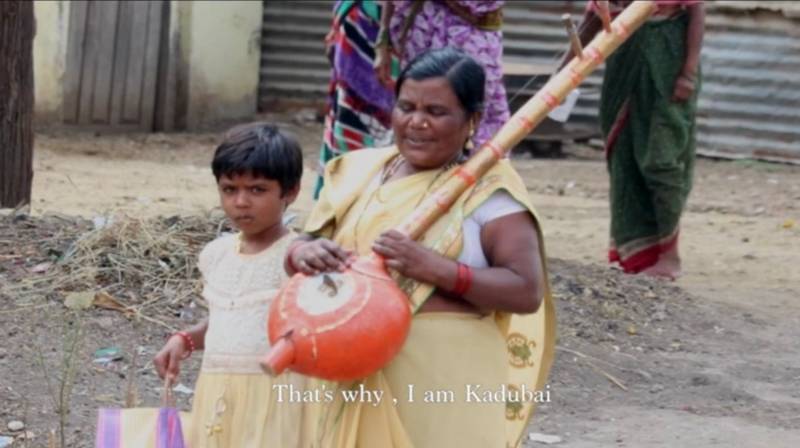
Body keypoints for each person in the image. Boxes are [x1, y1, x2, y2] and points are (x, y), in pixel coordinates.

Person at [289, 48, 555, 448]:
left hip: (443, 384)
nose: (417, 122)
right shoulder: (359, 171)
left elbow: (525, 290)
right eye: (406, 107)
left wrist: (436, 269)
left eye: (436, 111)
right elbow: (307, 241)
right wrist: (301, 253)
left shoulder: (489, 192)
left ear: (474, 120)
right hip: (348, 364)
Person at [152, 123, 311, 447]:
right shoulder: (216, 255)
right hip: (217, 396)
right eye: (229, 189)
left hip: (276, 400)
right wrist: (185, 339)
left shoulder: (298, 258)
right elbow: (232, 318)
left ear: (290, 192)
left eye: (257, 190)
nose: (241, 202)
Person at [572, 0, 704, 279]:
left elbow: (696, 13)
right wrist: (561, 75)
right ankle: (638, 253)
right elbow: (590, 25)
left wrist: (688, 72)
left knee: (662, 161)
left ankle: (670, 257)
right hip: (624, 66)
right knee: (624, 156)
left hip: (670, 65)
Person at [374, 0, 509, 152]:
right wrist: (383, 42)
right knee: (418, 106)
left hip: (473, 40)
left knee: (471, 111)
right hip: (421, 36)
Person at [314, 0, 398, 199]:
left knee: (391, 129)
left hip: (390, 35)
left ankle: (367, 199)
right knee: (348, 122)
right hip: (358, 33)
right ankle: (341, 202)